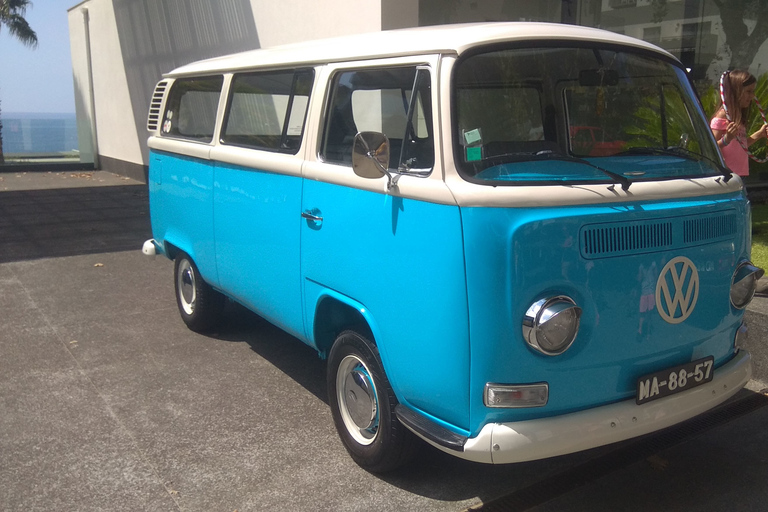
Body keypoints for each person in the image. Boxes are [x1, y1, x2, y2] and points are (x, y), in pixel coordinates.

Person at [710, 69, 768, 176]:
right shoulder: (723, 116)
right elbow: (710, 148)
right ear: (736, 91)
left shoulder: (737, 117)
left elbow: (740, 146)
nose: (752, 96)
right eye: (748, 91)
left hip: (740, 174)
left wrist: (759, 134)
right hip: (726, 175)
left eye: (753, 91)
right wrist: (726, 139)